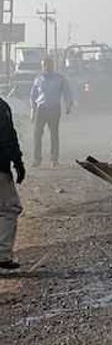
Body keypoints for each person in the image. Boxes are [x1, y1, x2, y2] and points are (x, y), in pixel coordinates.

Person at [30, 58, 73, 168]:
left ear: (52, 65)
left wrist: (68, 104)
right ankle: (37, 159)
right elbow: (33, 95)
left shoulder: (60, 78)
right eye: (44, 65)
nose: (46, 67)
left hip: (54, 109)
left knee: (54, 134)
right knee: (37, 134)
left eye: (48, 65)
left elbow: (67, 92)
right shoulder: (38, 79)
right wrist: (32, 110)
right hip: (41, 109)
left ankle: (54, 159)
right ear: (42, 66)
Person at [0, 95, 25, 271]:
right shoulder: (1, 107)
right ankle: (2, 255)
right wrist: (18, 163)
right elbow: (8, 138)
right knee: (10, 208)